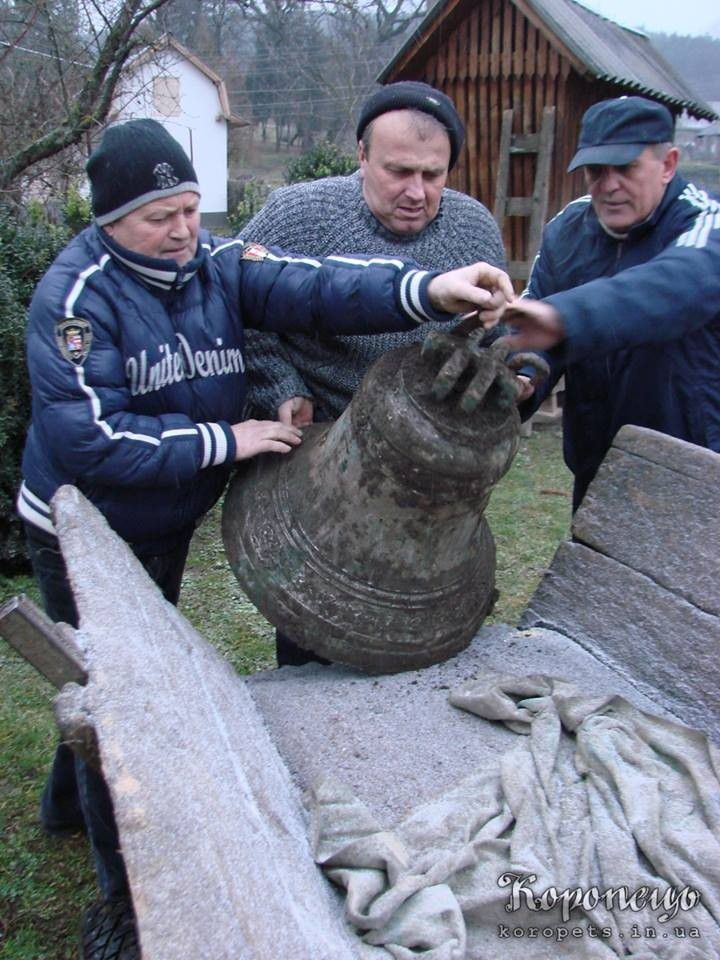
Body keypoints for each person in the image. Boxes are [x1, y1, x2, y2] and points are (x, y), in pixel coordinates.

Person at [16, 118, 512, 958]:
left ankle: (66, 802)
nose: (181, 231)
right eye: (156, 217)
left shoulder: (213, 266)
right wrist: (230, 440)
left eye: (189, 208)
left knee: (109, 670)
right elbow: (88, 439)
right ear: (107, 220)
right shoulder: (77, 300)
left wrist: (429, 293)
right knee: (123, 700)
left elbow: (317, 285)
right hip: (87, 533)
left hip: (169, 515)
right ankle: (124, 898)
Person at [238, 80, 507, 665]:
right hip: (320, 458)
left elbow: (490, 341)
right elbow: (240, 309)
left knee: (410, 646)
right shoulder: (298, 217)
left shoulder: (475, 232)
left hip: (422, 479)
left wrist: (505, 363)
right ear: (361, 156)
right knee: (313, 624)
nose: (416, 191)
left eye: (433, 175)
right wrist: (280, 385)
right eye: (398, 171)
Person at [502, 95, 720, 511]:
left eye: (625, 168)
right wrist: (523, 375)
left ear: (668, 164)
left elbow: (674, 286)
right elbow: (534, 324)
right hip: (598, 470)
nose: (609, 185)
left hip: (696, 477)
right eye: (596, 171)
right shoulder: (567, 231)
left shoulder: (705, 224)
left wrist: (566, 317)